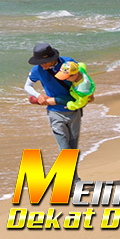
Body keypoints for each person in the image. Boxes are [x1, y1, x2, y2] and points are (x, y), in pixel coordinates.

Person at [23, 43, 82, 180]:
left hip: (74, 110)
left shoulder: (69, 63)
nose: (42, 65)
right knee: (64, 149)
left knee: (72, 149)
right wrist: (39, 96)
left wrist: (88, 95)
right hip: (55, 112)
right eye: (39, 62)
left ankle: (75, 180)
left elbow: (82, 79)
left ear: (52, 57)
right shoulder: (37, 70)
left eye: (44, 62)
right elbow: (28, 85)